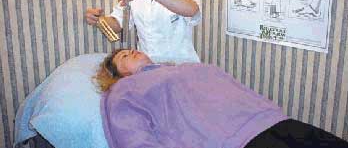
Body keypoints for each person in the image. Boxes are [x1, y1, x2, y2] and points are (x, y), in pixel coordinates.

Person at [95, 49, 348, 148]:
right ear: (118, 74)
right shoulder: (123, 91)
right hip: (235, 141)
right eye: (125, 56)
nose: (133, 51)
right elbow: (134, 140)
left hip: (271, 121)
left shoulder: (182, 67)